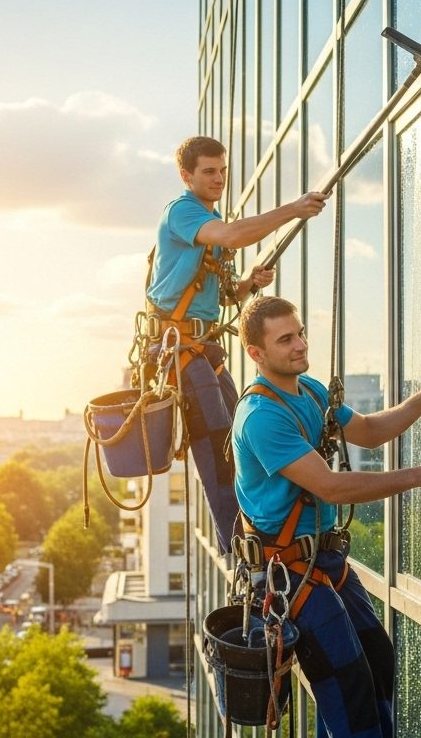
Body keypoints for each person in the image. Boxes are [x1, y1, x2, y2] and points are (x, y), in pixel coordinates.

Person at [231, 295, 421, 738]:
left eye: (300, 332)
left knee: (378, 662)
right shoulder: (260, 416)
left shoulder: (310, 392)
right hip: (288, 572)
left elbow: (369, 431)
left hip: (323, 563)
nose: (300, 345)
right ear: (256, 353)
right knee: (349, 693)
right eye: (285, 339)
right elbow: (331, 486)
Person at [142, 135, 329, 553]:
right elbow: (231, 236)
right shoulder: (184, 213)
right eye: (209, 171)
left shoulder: (209, 218)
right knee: (215, 442)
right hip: (179, 349)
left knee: (238, 431)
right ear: (186, 175)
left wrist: (248, 286)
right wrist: (294, 209)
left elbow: (221, 297)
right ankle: (242, 548)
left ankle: (260, 527)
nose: (219, 178)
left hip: (201, 348)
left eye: (223, 170)